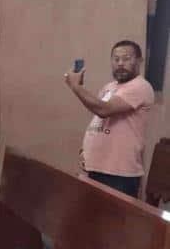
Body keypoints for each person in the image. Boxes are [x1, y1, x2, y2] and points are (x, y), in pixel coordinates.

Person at [65, 40, 154, 199]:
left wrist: (76, 88)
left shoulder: (140, 86)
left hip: (119, 174)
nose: (120, 63)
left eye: (126, 59)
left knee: (114, 223)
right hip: (94, 168)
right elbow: (98, 119)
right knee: (91, 220)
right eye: (116, 59)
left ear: (139, 61)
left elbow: (103, 110)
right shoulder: (109, 87)